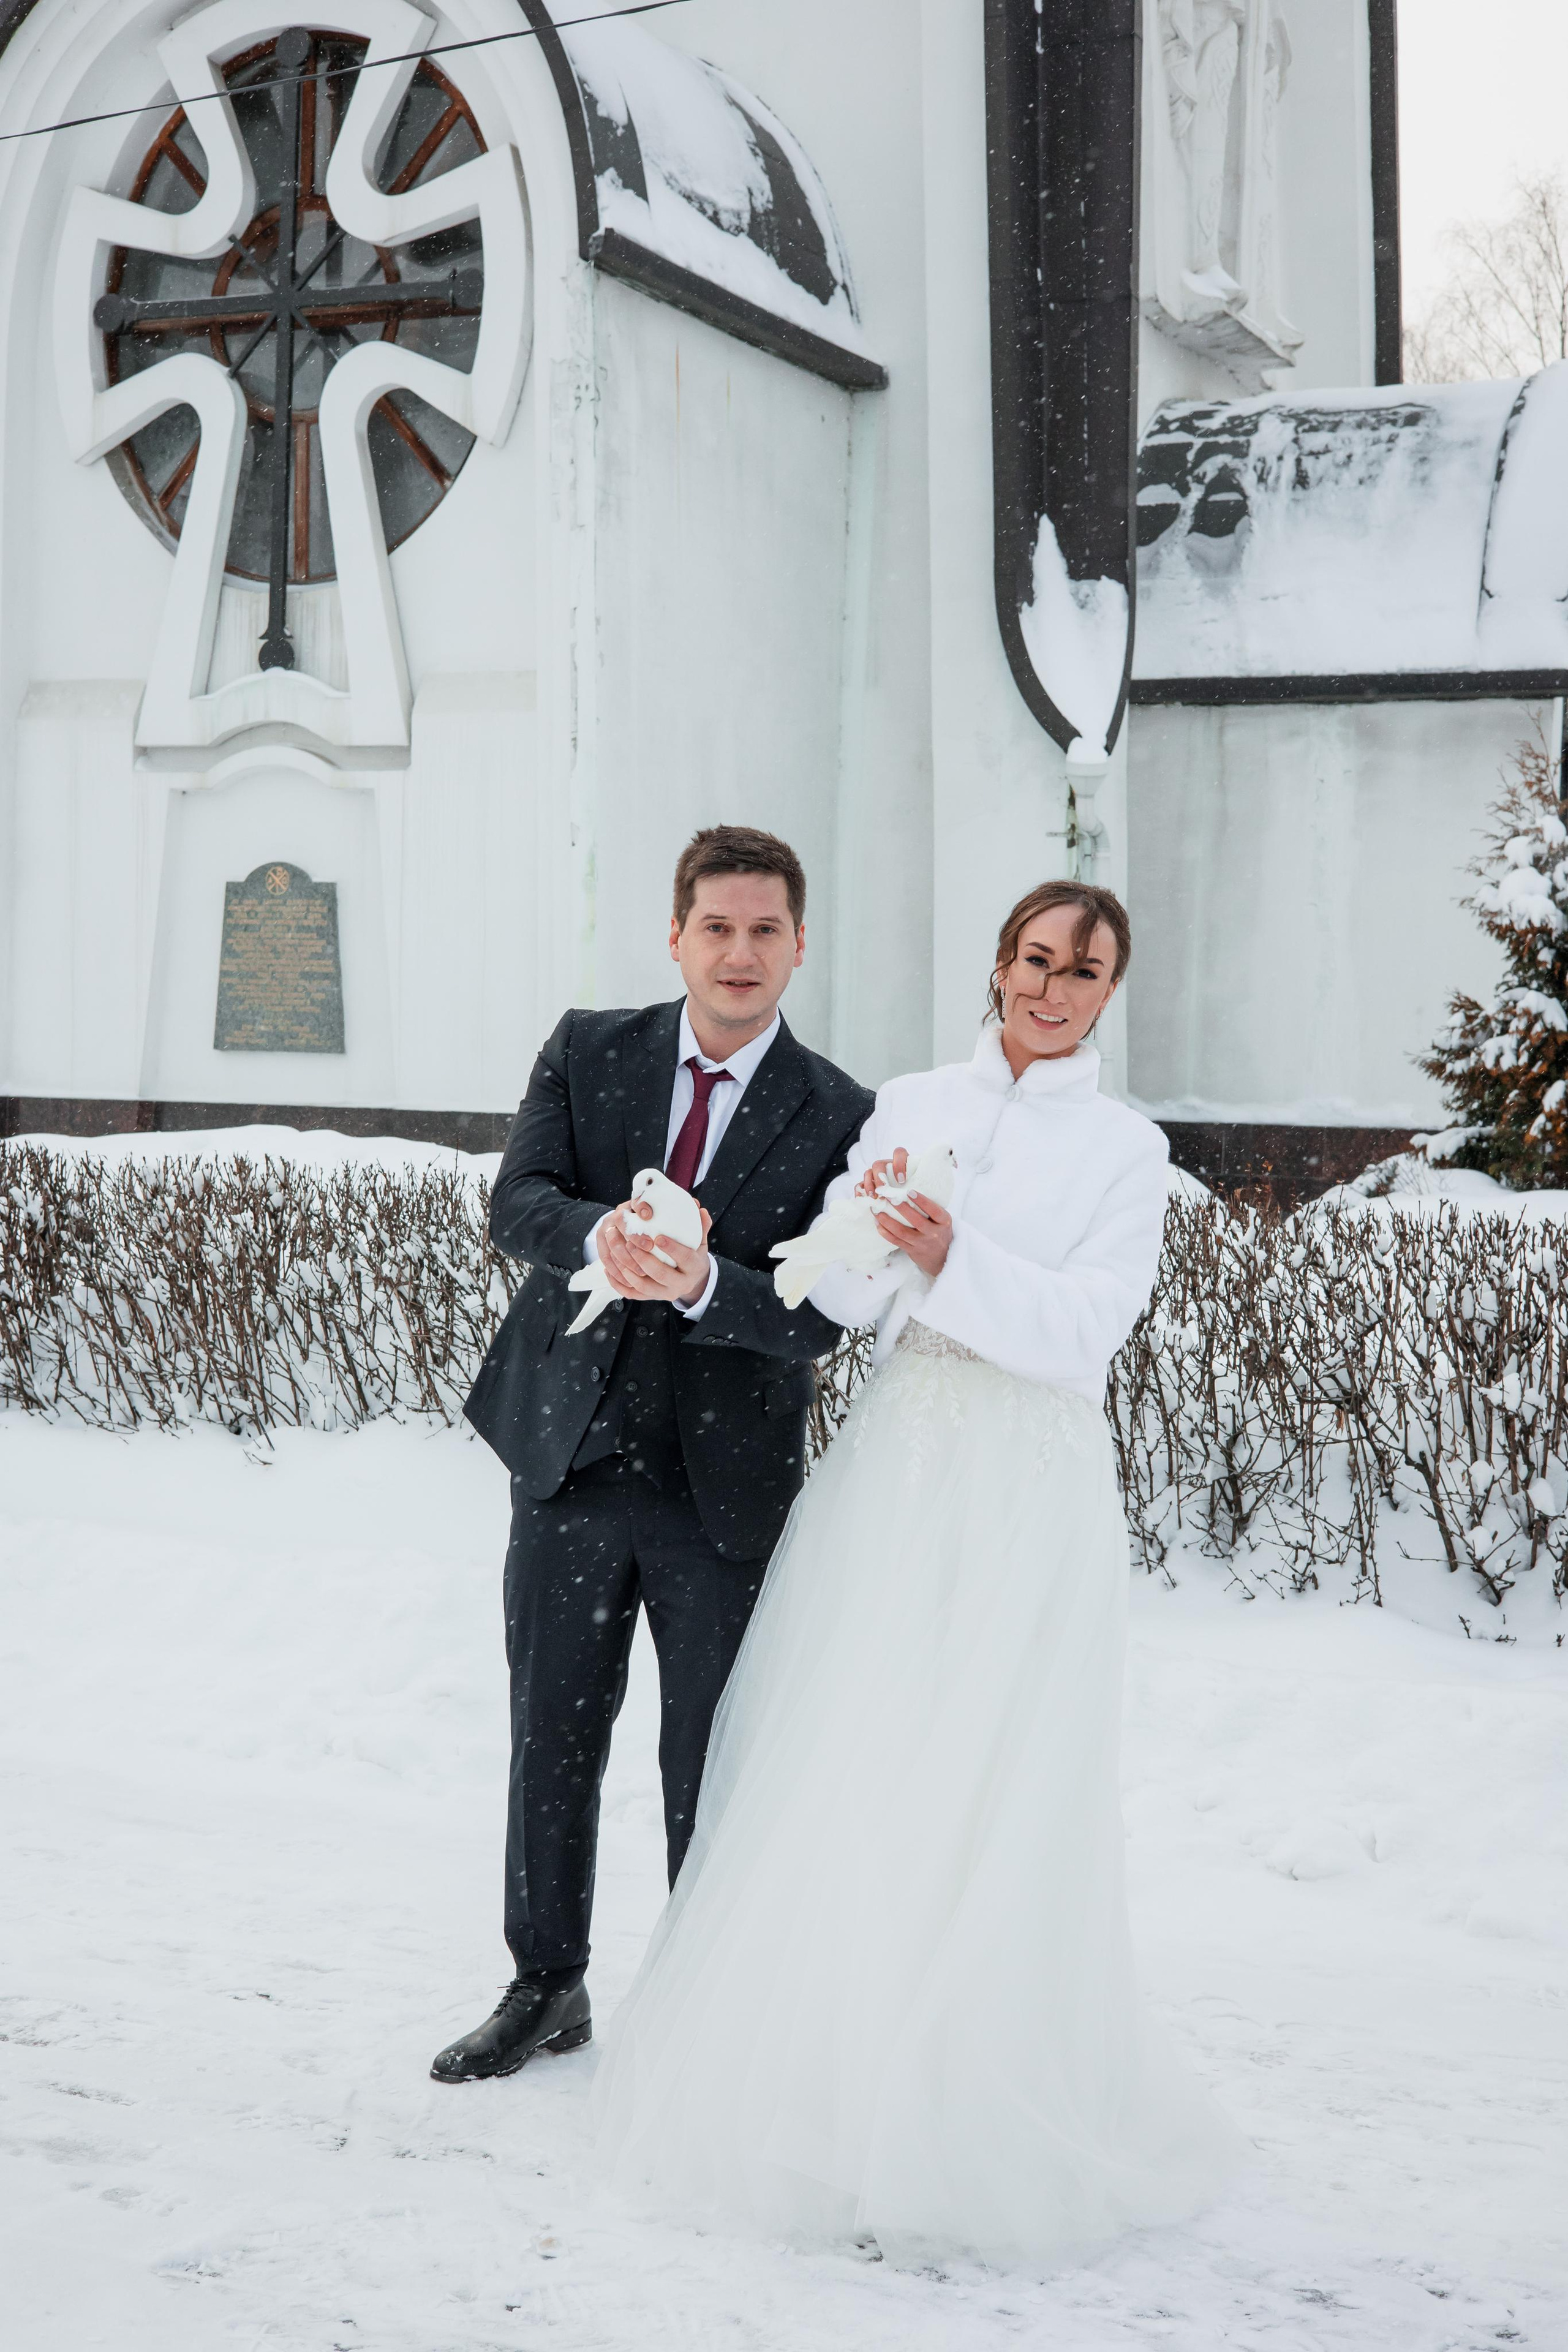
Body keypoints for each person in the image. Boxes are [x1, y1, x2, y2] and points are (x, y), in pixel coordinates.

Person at [590, 880, 1245, 2266]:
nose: (1051, 988)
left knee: (996, 1776)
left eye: (1083, 970)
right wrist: (819, 1251)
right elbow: (827, 1294)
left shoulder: (1127, 1150)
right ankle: (838, 2093)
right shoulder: (911, 1103)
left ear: (1108, 993)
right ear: (996, 963)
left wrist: (955, 1258)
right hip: (901, 1462)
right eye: (1032, 958)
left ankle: (980, 2101)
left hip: (1027, 1476)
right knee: (868, 1760)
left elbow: (1085, 1330)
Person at [431, 827, 875, 2084]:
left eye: (765, 930)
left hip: (719, 1490)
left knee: (710, 1757)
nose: (739, 953)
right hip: (567, 1459)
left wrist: (703, 1285)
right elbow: (515, 1198)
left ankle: (705, 2011)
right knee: (552, 1735)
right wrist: (602, 1237)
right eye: (716, 928)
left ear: (799, 944)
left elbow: (817, 1314)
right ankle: (544, 1985)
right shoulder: (588, 1048)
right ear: (673, 934)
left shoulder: (840, 1111)